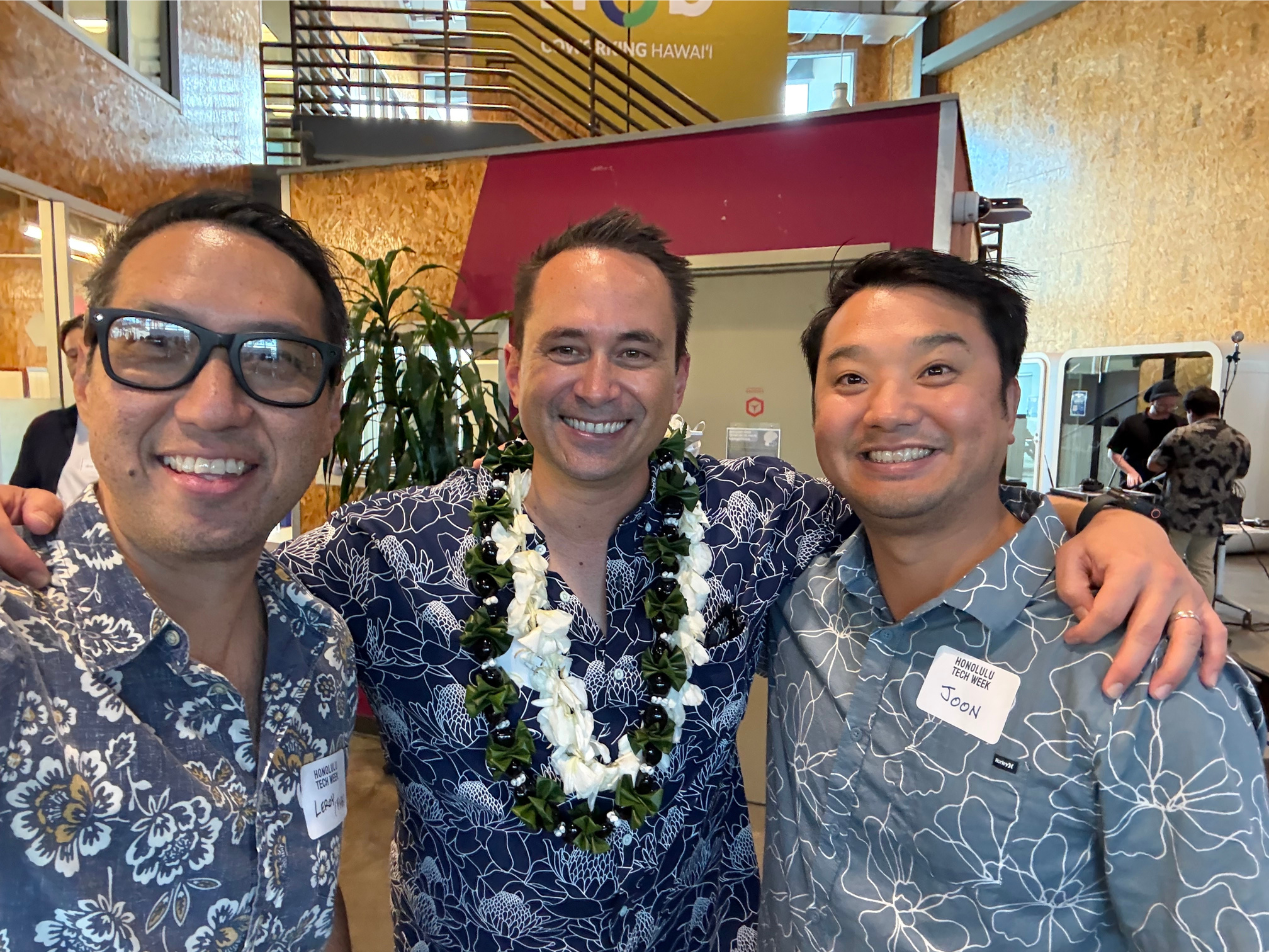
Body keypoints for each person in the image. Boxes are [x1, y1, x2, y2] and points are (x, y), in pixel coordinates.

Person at [0, 206, 1223, 952]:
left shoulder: (766, 522)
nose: (599, 384)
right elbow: (205, 550)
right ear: (509, 367)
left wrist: (1108, 520)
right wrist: (36, 519)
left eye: (634, 351)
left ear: (680, 376)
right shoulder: (383, 554)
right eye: (567, 348)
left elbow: (930, 491)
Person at [760, 249, 1268, 951]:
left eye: (935, 370)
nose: (887, 409)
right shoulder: (798, 598)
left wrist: (1114, 519)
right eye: (849, 377)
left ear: (1008, 405)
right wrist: (1103, 513)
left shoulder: (1150, 668)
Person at [0, 194, 355, 950]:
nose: (214, 407)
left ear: (331, 412)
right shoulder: (17, 651)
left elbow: (310, 895)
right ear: (85, 375)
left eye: (274, 359)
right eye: (157, 345)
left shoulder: (320, 648)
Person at [1147, 385, 1252, 601]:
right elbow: (1240, 473)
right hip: (1213, 515)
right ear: (1217, 408)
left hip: (1178, 514)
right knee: (1203, 567)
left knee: (1168, 564)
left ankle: (1163, 614)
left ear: (1190, 411)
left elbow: (1153, 465)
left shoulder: (1180, 435)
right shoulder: (1240, 440)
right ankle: (1202, 619)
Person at [10, 315, 98, 502]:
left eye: (89, 352)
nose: (82, 365)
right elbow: (18, 498)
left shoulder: (137, 424)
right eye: (73, 355)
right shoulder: (46, 429)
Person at [1106, 377, 1183, 489]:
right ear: (1152, 401)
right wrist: (1130, 472)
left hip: (1168, 486)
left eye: (1172, 406)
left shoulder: (1180, 424)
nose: (1168, 410)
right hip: (1136, 484)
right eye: (1163, 405)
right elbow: (1114, 452)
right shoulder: (1132, 423)